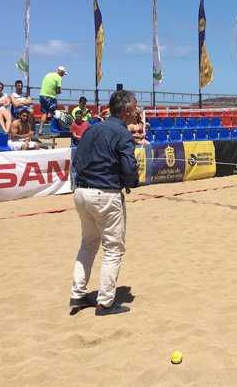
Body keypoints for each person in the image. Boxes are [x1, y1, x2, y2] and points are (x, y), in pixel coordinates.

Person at [69, 90, 139, 316]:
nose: (137, 111)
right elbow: (129, 167)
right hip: (104, 193)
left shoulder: (92, 129)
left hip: (81, 191)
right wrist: (130, 181)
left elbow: (77, 160)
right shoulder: (122, 133)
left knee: (88, 244)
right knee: (113, 249)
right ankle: (106, 302)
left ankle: (78, 294)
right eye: (135, 107)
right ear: (127, 110)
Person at [38, 66, 67, 135]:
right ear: (60, 71)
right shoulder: (59, 78)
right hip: (50, 97)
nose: (63, 75)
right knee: (55, 113)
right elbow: (58, 90)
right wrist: (59, 92)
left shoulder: (48, 74)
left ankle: (40, 130)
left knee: (44, 113)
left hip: (42, 95)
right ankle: (56, 130)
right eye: (63, 73)